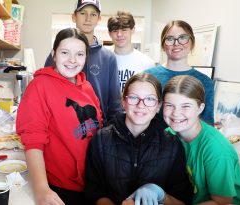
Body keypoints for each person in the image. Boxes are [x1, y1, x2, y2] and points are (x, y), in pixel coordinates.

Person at [16, 28, 103, 205]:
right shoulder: (40, 86)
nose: (72, 60)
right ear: (54, 54)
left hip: (93, 182)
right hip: (61, 187)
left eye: (79, 54)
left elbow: (98, 123)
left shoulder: (86, 85)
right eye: (65, 53)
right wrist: (41, 189)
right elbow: (33, 140)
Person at [85, 73, 193, 205]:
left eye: (150, 99)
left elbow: (183, 201)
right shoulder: (100, 140)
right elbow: (94, 192)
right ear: (123, 102)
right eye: (133, 98)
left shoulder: (172, 145)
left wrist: (162, 196)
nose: (141, 105)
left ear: (158, 106)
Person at [162, 75, 240, 205]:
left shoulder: (215, 149)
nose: (176, 113)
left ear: (200, 108)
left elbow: (223, 202)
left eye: (186, 106)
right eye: (170, 105)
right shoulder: (168, 135)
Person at [45, 0, 121, 123]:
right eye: (82, 13)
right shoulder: (59, 55)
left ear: (99, 18)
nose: (88, 18)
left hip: (99, 130)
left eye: (93, 14)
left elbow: (115, 103)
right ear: (74, 17)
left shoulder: (108, 58)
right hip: (62, 129)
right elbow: (46, 93)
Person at [145, 20, 214, 124]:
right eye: (170, 39)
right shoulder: (148, 76)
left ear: (192, 43)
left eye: (183, 38)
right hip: (153, 139)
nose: (176, 43)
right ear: (163, 45)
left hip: (188, 140)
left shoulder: (205, 82)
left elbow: (207, 123)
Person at [107, 11, 155, 92]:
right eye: (115, 30)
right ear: (109, 33)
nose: (119, 34)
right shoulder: (104, 60)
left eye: (124, 30)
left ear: (132, 30)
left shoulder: (147, 63)